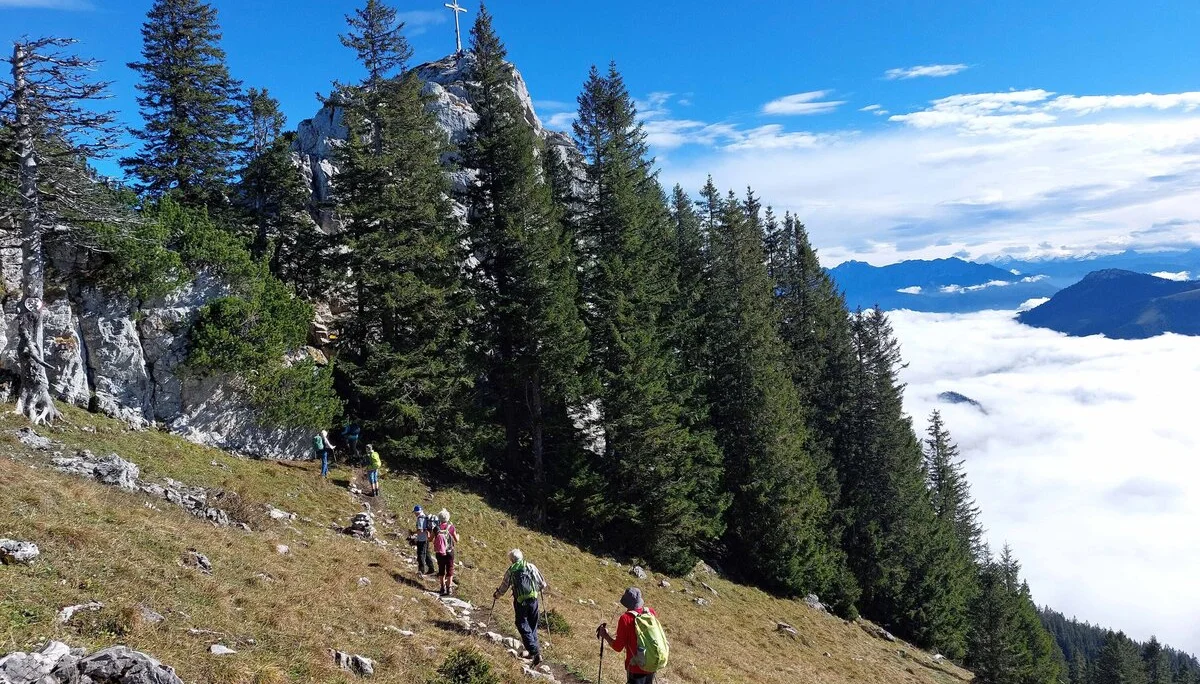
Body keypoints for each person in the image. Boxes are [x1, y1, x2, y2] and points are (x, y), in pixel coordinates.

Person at [597, 587, 668, 684]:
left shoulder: (625, 618)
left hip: (635, 666)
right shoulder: (650, 612)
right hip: (651, 662)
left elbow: (618, 647)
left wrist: (605, 635)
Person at [492, 548, 548, 666]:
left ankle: (534, 652)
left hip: (520, 602)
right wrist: (536, 590)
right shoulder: (530, 566)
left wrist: (497, 595)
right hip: (533, 600)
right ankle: (534, 652)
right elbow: (542, 584)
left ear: (512, 560)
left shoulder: (511, 571)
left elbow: (504, 586)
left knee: (521, 623)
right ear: (521, 557)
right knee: (532, 625)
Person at [432, 508, 458, 596]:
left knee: (441, 569)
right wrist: (458, 536)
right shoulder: (451, 527)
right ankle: (449, 588)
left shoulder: (436, 528)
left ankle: (442, 587)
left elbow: (430, 539)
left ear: (439, 518)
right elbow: (456, 540)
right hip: (450, 551)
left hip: (440, 552)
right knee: (450, 569)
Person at [412, 505, 435, 577]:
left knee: (421, 554)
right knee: (427, 553)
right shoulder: (425, 516)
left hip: (422, 539)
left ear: (416, 512)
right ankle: (431, 568)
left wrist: (413, 533)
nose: (414, 514)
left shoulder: (420, 518)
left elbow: (420, 530)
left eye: (415, 513)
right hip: (426, 538)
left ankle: (421, 571)